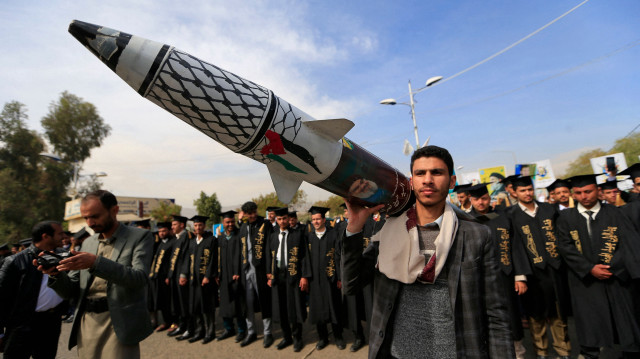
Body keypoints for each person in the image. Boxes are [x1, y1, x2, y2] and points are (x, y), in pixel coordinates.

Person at [341, 145, 514, 358]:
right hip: (396, 353)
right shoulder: (389, 230)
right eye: (420, 173)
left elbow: (496, 314)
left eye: (437, 173)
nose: (428, 180)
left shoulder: (476, 236)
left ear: (452, 182)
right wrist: (354, 228)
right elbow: (351, 284)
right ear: (412, 182)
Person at [38, 190, 154, 358]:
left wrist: (95, 263)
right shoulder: (88, 243)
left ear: (114, 210)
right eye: (86, 218)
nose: (90, 223)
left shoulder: (139, 237)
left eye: (95, 216)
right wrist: (55, 274)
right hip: (88, 323)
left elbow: (139, 278)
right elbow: (70, 291)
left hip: (118, 322)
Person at [557, 174, 640, 358]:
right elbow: (564, 247)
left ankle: (630, 352)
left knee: (624, 319)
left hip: (615, 277)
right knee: (589, 321)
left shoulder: (615, 213)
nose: (583, 196)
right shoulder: (566, 217)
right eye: (578, 193)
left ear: (598, 191)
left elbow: (627, 243)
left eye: (588, 191)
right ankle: (589, 352)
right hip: (584, 280)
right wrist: (589, 268)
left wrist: (611, 266)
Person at [508, 176, 571, 359]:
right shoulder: (511, 215)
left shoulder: (549, 209)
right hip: (532, 271)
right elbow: (514, 248)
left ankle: (563, 351)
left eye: (530, 189)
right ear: (515, 192)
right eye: (523, 190)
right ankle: (541, 352)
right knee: (536, 315)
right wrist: (520, 275)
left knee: (559, 314)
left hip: (554, 268)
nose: (527, 193)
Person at [467, 183, 531, 358]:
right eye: (476, 199)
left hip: (505, 275)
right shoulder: (466, 221)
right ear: (471, 200)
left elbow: (516, 247)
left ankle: (518, 351)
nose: (481, 202)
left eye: (484, 198)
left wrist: (520, 276)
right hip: (479, 278)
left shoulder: (502, 218)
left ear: (489, 198)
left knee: (510, 313)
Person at [0, 221, 66, 359]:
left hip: (51, 324)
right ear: (46, 236)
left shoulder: (64, 258)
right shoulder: (15, 261)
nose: (64, 236)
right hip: (22, 326)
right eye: (60, 233)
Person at [266, 207, 311, 352]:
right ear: (276, 220)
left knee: (294, 308)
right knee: (281, 308)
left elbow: (304, 257)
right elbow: (269, 255)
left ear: (288, 219)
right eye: (279, 219)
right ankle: (287, 337)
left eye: (284, 218)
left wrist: (304, 276)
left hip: (293, 275)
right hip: (278, 275)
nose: (282, 221)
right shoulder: (273, 236)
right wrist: (269, 274)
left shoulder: (297, 235)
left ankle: (297, 338)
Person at [305, 206, 345, 350]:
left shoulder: (333, 235)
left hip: (331, 278)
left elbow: (338, 256)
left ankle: (338, 336)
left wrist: (339, 277)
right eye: (313, 219)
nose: (315, 222)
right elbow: (305, 259)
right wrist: (306, 277)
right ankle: (322, 338)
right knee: (317, 309)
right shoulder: (309, 237)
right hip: (315, 280)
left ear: (323, 219)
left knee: (334, 307)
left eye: (318, 219)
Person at [237, 201, 274, 348]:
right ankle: (251, 332)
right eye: (249, 213)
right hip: (246, 271)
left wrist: (269, 271)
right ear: (245, 214)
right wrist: (240, 220)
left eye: (254, 212)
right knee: (248, 304)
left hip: (261, 270)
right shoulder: (243, 227)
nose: (252, 215)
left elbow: (270, 249)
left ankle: (267, 333)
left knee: (265, 301)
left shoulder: (265, 225)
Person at [177, 215, 217, 344]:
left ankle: (210, 332)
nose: (198, 227)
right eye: (195, 225)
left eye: (200, 225)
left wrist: (207, 276)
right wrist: (184, 275)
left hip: (206, 281)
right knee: (195, 307)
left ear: (204, 226)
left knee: (207, 308)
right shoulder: (192, 242)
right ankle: (200, 331)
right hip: (194, 281)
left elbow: (213, 260)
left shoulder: (211, 240)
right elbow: (187, 260)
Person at [216, 211, 248, 344]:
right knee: (224, 304)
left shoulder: (239, 235)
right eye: (227, 222)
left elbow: (243, 256)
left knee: (238, 305)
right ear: (223, 223)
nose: (230, 224)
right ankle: (228, 329)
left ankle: (241, 330)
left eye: (232, 222)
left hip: (236, 275)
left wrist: (238, 271)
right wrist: (217, 274)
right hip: (223, 277)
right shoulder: (221, 237)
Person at [166, 215, 193, 338]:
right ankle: (182, 326)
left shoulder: (187, 236)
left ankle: (189, 327)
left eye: (174, 224)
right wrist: (170, 275)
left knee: (184, 303)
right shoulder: (177, 238)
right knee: (177, 302)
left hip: (182, 275)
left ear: (182, 225)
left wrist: (183, 274)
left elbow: (187, 257)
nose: (172, 227)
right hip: (175, 275)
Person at [149, 222, 175, 332]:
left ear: (169, 231)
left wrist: (169, 275)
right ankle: (166, 322)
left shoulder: (173, 243)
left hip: (167, 277)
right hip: (157, 277)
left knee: (170, 301)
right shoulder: (160, 243)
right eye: (159, 231)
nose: (161, 233)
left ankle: (174, 322)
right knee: (162, 301)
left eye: (164, 231)